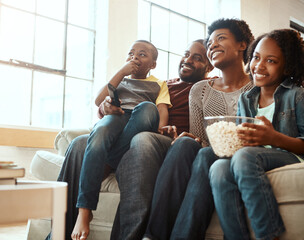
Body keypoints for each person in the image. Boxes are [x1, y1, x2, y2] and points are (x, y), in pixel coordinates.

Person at [45, 39, 213, 240]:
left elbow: (194, 128)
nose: (187, 60)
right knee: (79, 144)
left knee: (142, 140)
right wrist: (105, 107)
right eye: (186, 54)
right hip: (126, 133)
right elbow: (117, 103)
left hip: (163, 140)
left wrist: (170, 132)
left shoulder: (209, 88)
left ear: (209, 65)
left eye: (197, 58)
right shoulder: (162, 84)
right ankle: (58, 235)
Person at [143, 18, 254, 240]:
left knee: (204, 153)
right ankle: (152, 236)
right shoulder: (200, 90)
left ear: (242, 45)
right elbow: (201, 139)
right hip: (207, 151)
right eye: (210, 42)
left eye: (220, 38)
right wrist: (188, 138)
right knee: (185, 143)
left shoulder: (257, 86)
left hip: (240, 153)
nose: (212, 45)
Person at [209, 29, 304, 240]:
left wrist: (273, 138)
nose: (259, 66)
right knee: (218, 168)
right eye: (256, 57)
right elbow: (243, 143)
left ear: (287, 65)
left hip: (290, 155)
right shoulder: (246, 98)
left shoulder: (297, 95)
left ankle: (267, 236)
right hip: (254, 157)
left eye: (270, 60)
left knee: (244, 157)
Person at [72, 40, 171, 240]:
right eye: (131, 53)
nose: (135, 57)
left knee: (147, 108)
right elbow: (99, 100)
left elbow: (161, 109)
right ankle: (84, 210)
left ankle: (107, 163)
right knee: (100, 130)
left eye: (142, 54)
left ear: (153, 64)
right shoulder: (120, 80)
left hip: (141, 120)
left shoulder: (159, 84)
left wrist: (162, 128)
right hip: (117, 118)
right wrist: (120, 73)